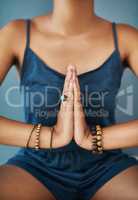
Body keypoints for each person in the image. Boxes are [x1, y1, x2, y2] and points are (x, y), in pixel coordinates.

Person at [0, 0, 138, 199]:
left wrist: (93, 139)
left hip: (108, 168)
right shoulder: (16, 34)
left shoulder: (126, 37)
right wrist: (53, 137)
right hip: (34, 167)